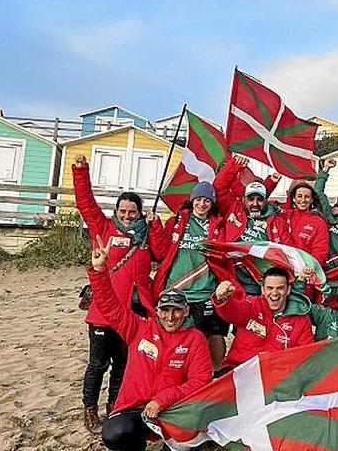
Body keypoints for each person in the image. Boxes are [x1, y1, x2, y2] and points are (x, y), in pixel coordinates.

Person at [89, 237, 212, 451]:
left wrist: (163, 399)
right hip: (135, 407)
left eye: (176, 310)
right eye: (165, 310)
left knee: (185, 444)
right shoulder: (139, 328)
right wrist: (99, 272)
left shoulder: (195, 338)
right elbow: (109, 307)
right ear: (157, 311)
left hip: (174, 409)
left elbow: (201, 380)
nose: (170, 317)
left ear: (186, 311)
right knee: (114, 433)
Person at [72, 154, 162, 433]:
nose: (127, 215)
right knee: (98, 364)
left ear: (139, 212)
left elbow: (162, 253)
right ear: (116, 211)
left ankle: (115, 408)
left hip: (135, 314)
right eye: (122, 211)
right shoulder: (104, 229)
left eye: (132, 212)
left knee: (124, 365)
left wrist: (156, 225)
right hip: (103, 311)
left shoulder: (147, 235)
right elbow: (85, 203)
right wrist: (80, 170)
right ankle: (90, 410)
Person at [151, 181, 227, 370]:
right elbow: (160, 252)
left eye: (207, 201)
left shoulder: (218, 225)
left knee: (214, 336)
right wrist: (153, 226)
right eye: (199, 199)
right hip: (177, 292)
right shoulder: (176, 222)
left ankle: (215, 375)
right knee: (180, 338)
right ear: (192, 200)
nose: (202, 204)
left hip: (206, 291)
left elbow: (224, 256)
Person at [211, 268, 314, 375]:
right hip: (240, 369)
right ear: (262, 290)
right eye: (270, 288)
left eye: (280, 288)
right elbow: (232, 312)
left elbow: (305, 355)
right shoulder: (252, 304)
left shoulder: (301, 320)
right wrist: (221, 298)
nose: (274, 293)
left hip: (277, 376)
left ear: (288, 290)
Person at [212, 156, 289, 295]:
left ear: (266, 200)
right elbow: (219, 188)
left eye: (259, 199)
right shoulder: (233, 209)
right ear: (243, 199)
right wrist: (235, 165)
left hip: (262, 284)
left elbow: (288, 252)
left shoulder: (278, 222)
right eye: (251, 199)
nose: (255, 203)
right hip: (232, 279)